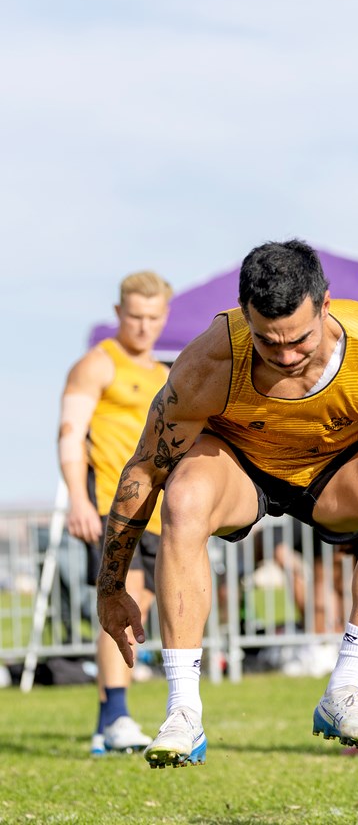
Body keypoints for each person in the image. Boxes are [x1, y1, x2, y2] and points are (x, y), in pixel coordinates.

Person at [96, 239, 358, 770]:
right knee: (183, 493)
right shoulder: (212, 357)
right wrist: (111, 588)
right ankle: (183, 710)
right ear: (246, 318)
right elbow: (143, 470)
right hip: (241, 465)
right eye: (270, 344)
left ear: (324, 305)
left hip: (336, 467)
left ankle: (343, 689)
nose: (288, 356)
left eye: (299, 340)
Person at [58, 270, 172, 755]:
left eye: (152, 317)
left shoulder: (166, 375)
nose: (143, 327)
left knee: (139, 608)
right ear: (118, 313)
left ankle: (109, 720)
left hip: (160, 512)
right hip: (111, 507)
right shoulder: (96, 364)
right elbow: (68, 435)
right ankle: (117, 716)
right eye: (134, 316)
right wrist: (77, 499)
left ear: (164, 316)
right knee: (122, 607)